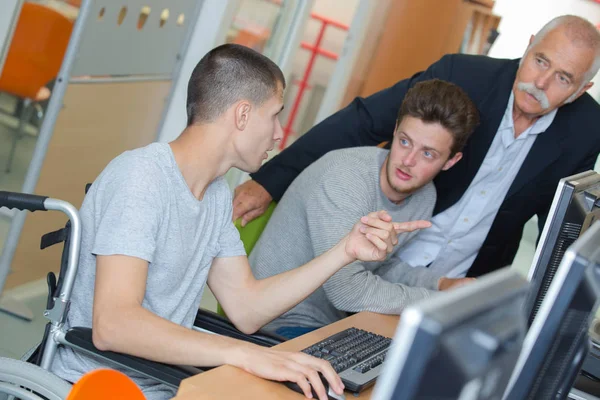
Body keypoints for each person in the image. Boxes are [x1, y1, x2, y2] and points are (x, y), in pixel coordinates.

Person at [49, 44, 428, 400]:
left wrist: (345, 251)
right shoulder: (141, 178)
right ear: (243, 115)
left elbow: (247, 308)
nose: (279, 134)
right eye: (275, 114)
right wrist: (244, 355)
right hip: (100, 386)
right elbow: (114, 325)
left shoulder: (213, 194)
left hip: (171, 384)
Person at [233, 15, 600, 279]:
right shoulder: (464, 75)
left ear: (581, 90)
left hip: (462, 283)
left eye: (563, 78)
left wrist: (551, 307)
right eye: (540, 61)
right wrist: (270, 181)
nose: (541, 82)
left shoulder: (587, 129)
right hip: (382, 260)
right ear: (529, 44)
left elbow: (562, 230)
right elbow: (363, 121)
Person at [249, 79, 479, 338]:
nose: (408, 161)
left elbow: (379, 266)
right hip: (276, 320)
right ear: (394, 131)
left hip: (331, 324)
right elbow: (347, 291)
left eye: (428, 154)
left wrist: (440, 284)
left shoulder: (425, 197)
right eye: (405, 142)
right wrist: (436, 301)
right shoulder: (345, 178)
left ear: (450, 161)